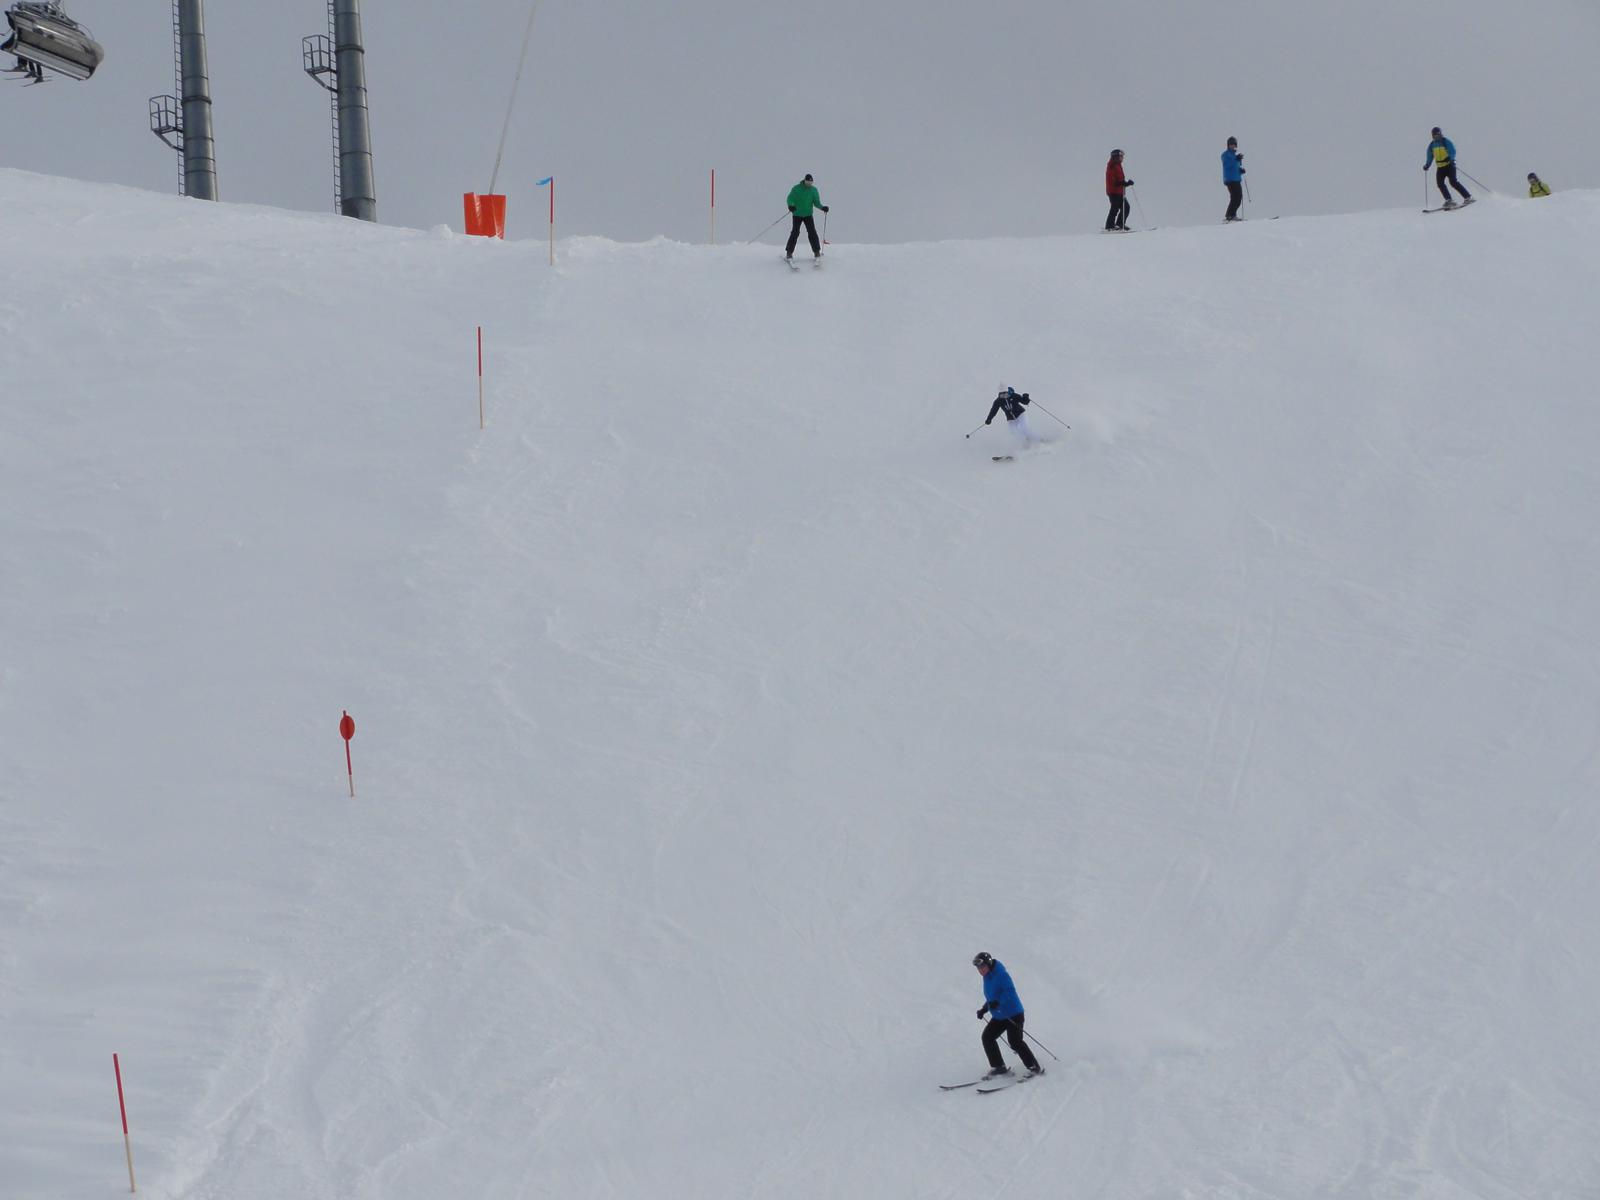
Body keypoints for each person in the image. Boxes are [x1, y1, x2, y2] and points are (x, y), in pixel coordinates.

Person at [972, 952, 1043, 1079]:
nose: (980, 970)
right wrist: (984, 1009)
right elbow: (992, 997)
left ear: (988, 964)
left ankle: (1034, 1067)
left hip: (1013, 1013)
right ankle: (999, 1067)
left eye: (982, 967)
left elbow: (1009, 992)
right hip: (1000, 1016)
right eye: (978, 968)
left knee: (1015, 1041)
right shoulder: (987, 977)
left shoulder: (1001, 974)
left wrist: (998, 1002)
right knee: (987, 1037)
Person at [1423, 127, 1472, 209]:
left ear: (1440, 134)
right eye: (1435, 135)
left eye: (1438, 135)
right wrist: (1427, 165)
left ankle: (1468, 197)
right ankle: (1449, 200)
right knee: (1440, 184)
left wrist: (1451, 159)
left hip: (1449, 165)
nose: (1436, 136)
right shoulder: (1432, 145)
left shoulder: (1445, 141)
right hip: (1440, 168)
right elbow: (1430, 156)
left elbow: (1452, 151)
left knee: (1453, 182)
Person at [785, 174, 828, 262]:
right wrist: (791, 206)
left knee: (812, 232)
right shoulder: (796, 189)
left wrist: (822, 207)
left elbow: (816, 202)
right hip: (797, 214)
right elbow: (790, 198)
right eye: (808, 182)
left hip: (808, 215)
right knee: (795, 232)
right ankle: (789, 253)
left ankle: (816, 252)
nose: (809, 184)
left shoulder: (814, 190)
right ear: (804, 181)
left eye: (811, 182)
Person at [985, 386, 1037, 452]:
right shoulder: (998, 401)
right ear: (999, 395)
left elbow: (1024, 401)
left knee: (1024, 428)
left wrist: (1026, 397)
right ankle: (1025, 443)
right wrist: (989, 419)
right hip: (1010, 419)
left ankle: (1037, 439)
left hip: (1021, 415)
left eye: (1006, 394)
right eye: (1002, 395)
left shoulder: (1014, 396)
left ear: (1008, 392)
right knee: (1014, 431)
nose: (1004, 396)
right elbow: (993, 411)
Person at [1105, 150, 1132, 231]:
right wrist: (1122, 183)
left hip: (1119, 191)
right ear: (1116, 156)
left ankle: (1120, 224)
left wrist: (1126, 183)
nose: (1122, 158)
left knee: (1126, 207)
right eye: (1121, 156)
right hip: (1113, 191)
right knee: (1115, 208)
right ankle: (1109, 226)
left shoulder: (1118, 165)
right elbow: (1112, 180)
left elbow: (1120, 180)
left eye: (1122, 156)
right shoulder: (1112, 166)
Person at [1222, 136, 1246, 221]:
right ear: (1228, 145)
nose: (1232, 146)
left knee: (1238, 197)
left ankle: (1232, 215)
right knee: (1235, 197)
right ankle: (1230, 215)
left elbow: (1235, 167)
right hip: (1230, 179)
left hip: (1236, 179)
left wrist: (1240, 170)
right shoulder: (1225, 155)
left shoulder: (1235, 156)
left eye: (1234, 144)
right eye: (1231, 144)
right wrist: (1236, 159)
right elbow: (1227, 165)